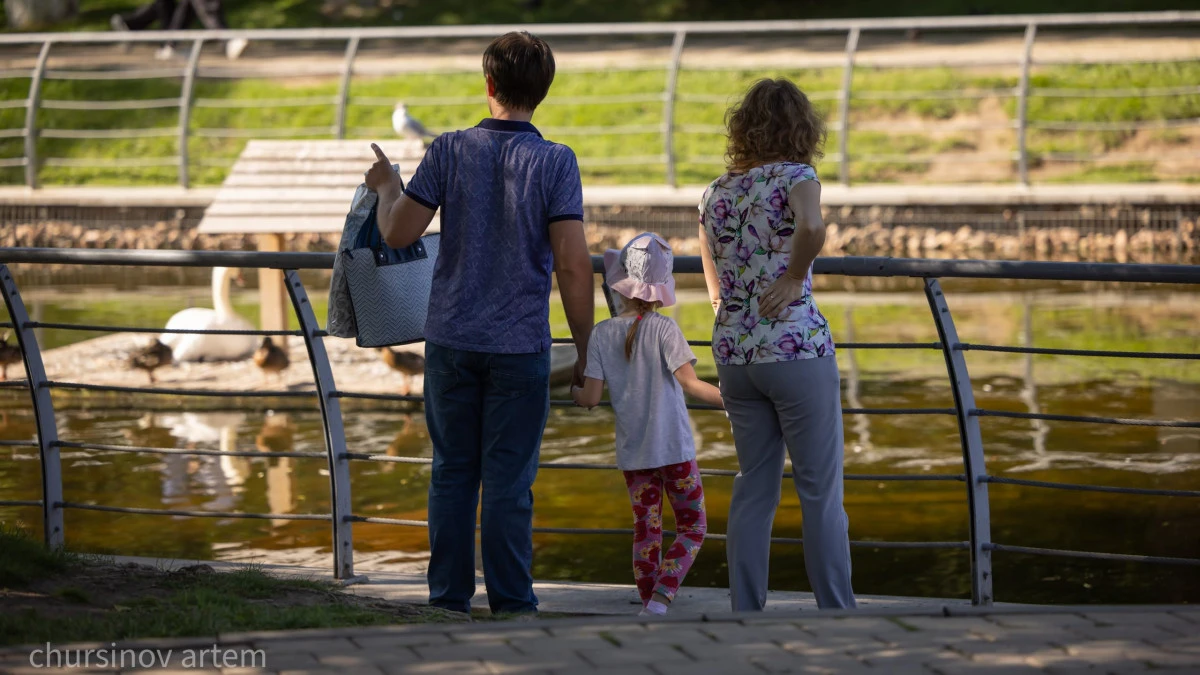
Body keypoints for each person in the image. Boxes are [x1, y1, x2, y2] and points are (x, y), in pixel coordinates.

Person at [364, 31, 594, 617]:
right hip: (519, 346)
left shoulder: (448, 150)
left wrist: (388, 187)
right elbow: (572, 264)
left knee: (452, 474)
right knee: (509, 481)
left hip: (450, 342)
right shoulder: (556, 161)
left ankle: (447, 602)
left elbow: (397, 233)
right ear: (543, 90)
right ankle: (513, 605)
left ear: (488, 84)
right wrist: (587, 351)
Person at [698, 78, 857, 611]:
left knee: (753, 487)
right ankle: (837, 612)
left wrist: (730, 311)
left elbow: (712, 278)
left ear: (743, 129)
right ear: (801, 129)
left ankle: (745, 611)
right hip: (794, 349)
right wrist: (793, 277)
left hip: (735, 354)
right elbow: (812, 227)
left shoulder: (715, 192)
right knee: (819, 492)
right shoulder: (798, 176)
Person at [572, 232, 723, 617]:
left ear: (620, 285)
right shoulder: (665, 329)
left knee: (646, 530)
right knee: (693, 527)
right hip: (675, 451)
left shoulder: (601, 334)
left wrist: (574, 391)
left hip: (634, 455)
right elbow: (691, 384)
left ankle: (648, 605)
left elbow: (590, 398)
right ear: (661, 290)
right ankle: (661, 597)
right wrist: (734, 401)